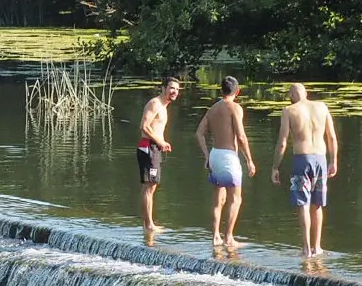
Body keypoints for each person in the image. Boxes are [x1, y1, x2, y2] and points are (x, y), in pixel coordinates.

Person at [272, 81, 338, 267]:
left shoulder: (289, 110)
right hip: (321, 160)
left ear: (292, 96)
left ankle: (306, 249)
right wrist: (334, 161)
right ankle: (317, 247)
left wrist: (275, 167)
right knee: (318, 204)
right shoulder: (322, 107)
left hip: (302, 160)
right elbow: (332, 137)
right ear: (306, 92)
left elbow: (283, 142)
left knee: (302, 204)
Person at [195, 75, 257, 257]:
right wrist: (249, 160)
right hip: (229, 156)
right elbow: (241, 136)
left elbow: (198, 134)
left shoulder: (212, 109)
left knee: (218, 200)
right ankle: (229, 237)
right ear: (237, 91)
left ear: (221, 90)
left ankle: (215, 236)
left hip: (215, 154)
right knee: (235, 199)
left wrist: (206, 155)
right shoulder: (235, 108)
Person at [136, 76, 180, 246]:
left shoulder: (164, 106)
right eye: (171, 88)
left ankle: (148, 224)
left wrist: (161, 143)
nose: (174, 91)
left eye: (176, 89)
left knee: (151, 186)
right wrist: (160, 142)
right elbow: (144, 126)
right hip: (148, 147)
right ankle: (149, 225)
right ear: (163, 88)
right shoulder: (155, 103)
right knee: (149, 186)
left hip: (154, 148)